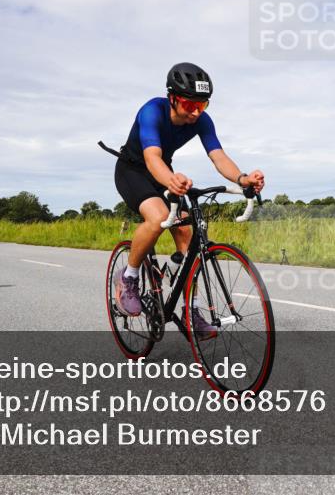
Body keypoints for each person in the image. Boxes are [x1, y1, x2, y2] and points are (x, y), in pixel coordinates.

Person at [113, 62, 265, 340]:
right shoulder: (152, 111)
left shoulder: (202, 121)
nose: (195, 112)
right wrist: (170, 179)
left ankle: (191, 310)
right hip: (133, 170)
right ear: (172, 97)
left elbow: (218, 156)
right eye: (188, 104)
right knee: (159, 217)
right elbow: (152, 158)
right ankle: (129, 277)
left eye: (202, 105)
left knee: (186, 231)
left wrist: (242, 179)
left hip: (163, 172)